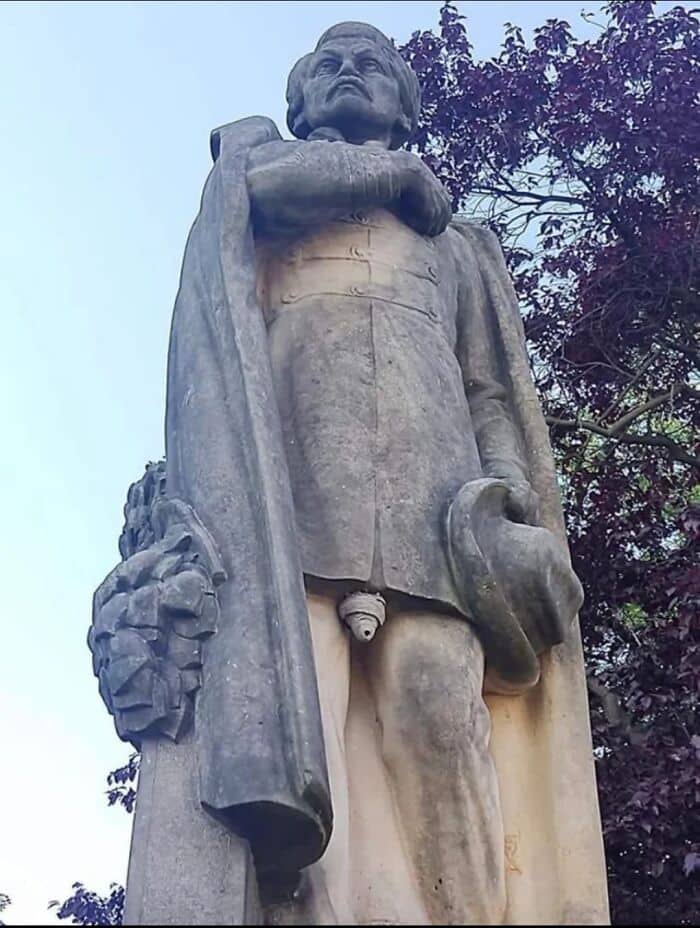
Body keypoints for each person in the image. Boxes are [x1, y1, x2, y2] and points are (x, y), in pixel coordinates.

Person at [91, 22, 607, 926]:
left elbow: (491, 386)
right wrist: (397, 178)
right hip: (285, 515)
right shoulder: (259, 191)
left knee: (439, 720)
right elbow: (259, 184)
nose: (347, 71)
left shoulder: (460, 247)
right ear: (299, 104)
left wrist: (512, 496)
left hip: (438, 515)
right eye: (326, 63)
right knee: (302, 739)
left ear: (405, 105)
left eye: (371, 63)